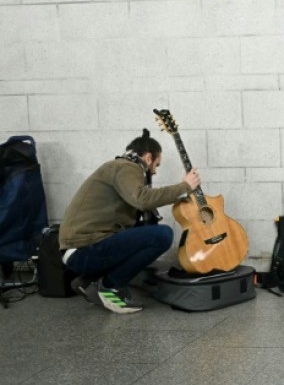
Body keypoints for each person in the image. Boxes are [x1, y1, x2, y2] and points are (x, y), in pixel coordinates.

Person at [59, 129, 200, 314]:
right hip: (84, 250)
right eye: (156, 165)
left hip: (80, 248)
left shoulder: (118, 167)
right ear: (148, 158)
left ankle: (88, 280)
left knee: (148, 230)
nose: (155, 171)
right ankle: (110, 287)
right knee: (163, 235)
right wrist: (185, 186)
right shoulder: (126, 167)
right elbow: (142, 199)